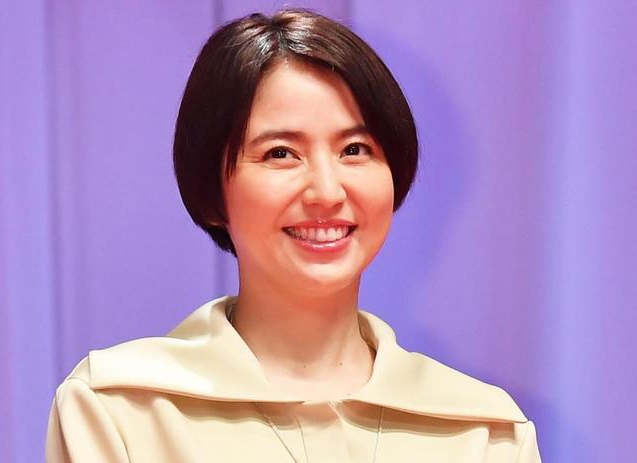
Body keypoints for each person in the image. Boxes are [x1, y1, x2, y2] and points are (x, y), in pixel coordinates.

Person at [46, 9, 541, 462]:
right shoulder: (120, 410)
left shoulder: (485, 432)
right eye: (280, 153)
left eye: (355, 149)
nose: (327, 191)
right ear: (212, 190)